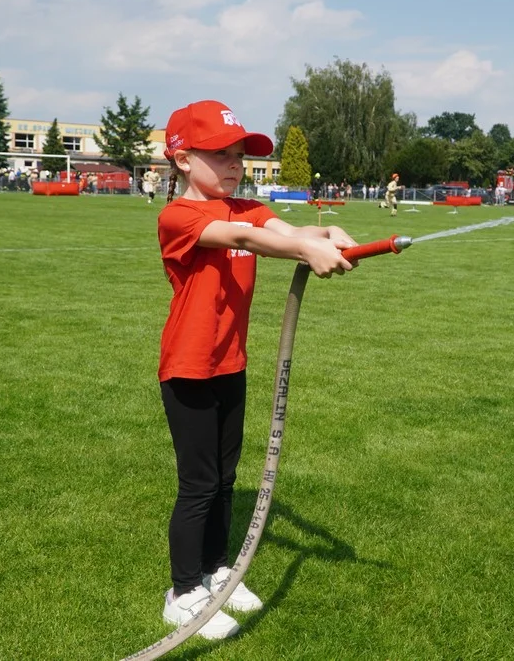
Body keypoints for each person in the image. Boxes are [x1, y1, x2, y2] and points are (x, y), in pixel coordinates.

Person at [156, 100, 357, 640]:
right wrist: (298, 247)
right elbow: (249, 240)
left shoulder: (243, 207)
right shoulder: (180, 217)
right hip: (189, 369)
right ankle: (182, 591)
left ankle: (220, 570)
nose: (233, 165)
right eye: (219, 155)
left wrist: (326, 234)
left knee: (226, 480)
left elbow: (279, 228)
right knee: (198, 484)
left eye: (239, 156)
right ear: (181, 158)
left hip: (231, 364)